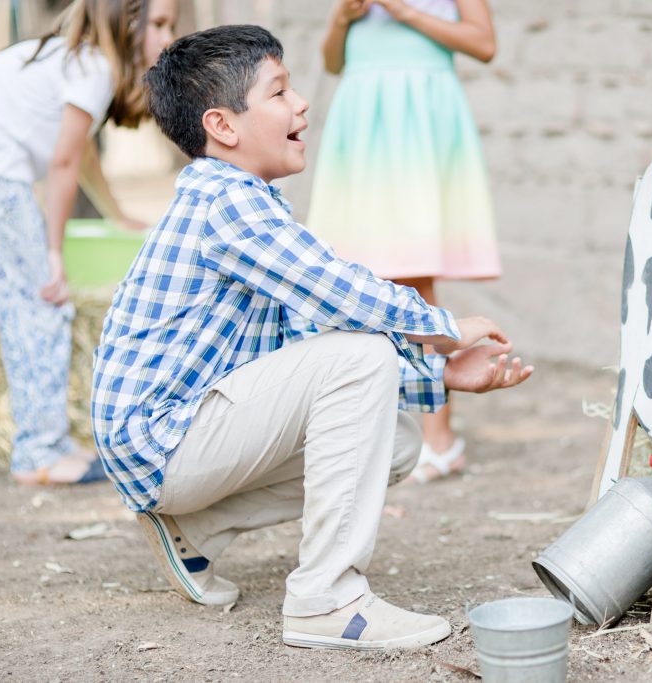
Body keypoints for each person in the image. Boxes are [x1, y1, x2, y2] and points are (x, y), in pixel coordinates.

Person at [91, 24, 531, 651]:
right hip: (163, 439)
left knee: (399, 436)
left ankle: (196, 529)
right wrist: (440, 326)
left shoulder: (248, 202)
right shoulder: (226, 203)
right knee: (364, 351)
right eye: (279, 92)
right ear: (223, 126)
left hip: (174, 443)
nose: (300, 104)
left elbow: (306, 336)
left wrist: (440, 376)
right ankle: (326, 600)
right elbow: (337, 291)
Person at [0, 0, 177, 485]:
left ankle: (51, 441)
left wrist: (117, 214)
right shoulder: (94, 70)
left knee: (33, 303)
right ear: (127, 25)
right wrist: (53, 256)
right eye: (161, 25)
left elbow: (79, 153)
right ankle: (39, 452)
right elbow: (63, 164)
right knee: (42, 303)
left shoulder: (80, 62)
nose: (168, 36)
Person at [308, 0, 500, 484]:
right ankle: (387, 427)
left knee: (412, 277)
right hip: (362, 119)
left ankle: (440, 438)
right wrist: (343, 17)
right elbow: (333, 61)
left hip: (417, 120)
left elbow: (484, 44)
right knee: (362, 274)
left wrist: (405, 11)